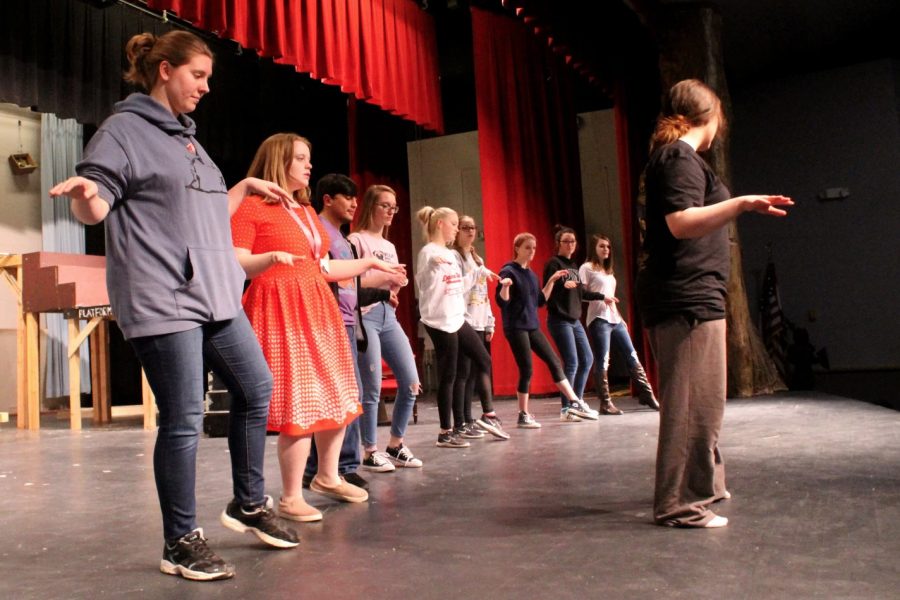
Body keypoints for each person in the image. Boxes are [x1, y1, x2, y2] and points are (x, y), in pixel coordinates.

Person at [49, 31, 300, 581]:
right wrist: (89, 197)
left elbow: (199, 210)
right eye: (198, 76)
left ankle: (248, 503)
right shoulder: (124, 131)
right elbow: (97, 203)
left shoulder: (188, 138)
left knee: (256, 388)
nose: (206, 88)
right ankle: (180, 541)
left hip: (213, 293)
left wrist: (245, 185)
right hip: (164, 297)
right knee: (184, 418)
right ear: (165, 70)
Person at [636, 78, 792, 528]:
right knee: (690, 406)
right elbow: (682, 223)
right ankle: (679, 504)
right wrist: (741, 203)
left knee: (704, 402)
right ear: (712, 117)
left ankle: (707, 486)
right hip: (684, 297)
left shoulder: (683, 160)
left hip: (695, 295)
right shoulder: (677, 159)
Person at [231, 134, 403, 521]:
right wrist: (270, 258)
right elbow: (238, 261)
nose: (309, 165)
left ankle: (327, 476)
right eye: (300, 158)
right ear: (278, 161)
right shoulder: (252, 207)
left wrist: (371, 266)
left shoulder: (305, 210)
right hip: (280, 305)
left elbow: (324, 267)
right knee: (300, 397)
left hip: (316, 303)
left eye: (309, 158)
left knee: (339, 389)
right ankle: (291, 496)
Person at [302, 173, 393, 490]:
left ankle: (321, 466)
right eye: (347, 197)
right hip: (330, 323)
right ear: (327, 199)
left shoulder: (342, 238)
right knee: (345, 395)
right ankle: (340, 465)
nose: (355, 203)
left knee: (343, 395)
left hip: (348, 323)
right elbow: (323, 277)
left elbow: (351, 287)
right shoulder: (319, 233)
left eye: (356, 197)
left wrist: (382, 292)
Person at [348, 186, 423, 470]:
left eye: (394, 207)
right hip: (365, 316)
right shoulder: (355, 240)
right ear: (371, 206)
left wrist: (395, 282)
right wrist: (384, 276)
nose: (391, 212)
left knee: (411, 382)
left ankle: (395, 444)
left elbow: (384, 281)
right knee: (372, 388)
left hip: (387, 316)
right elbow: (352, 281)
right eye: (386, 206)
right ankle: (369, 450)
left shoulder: (389, 246)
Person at [415, 207, 501, 447]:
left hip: (457, 316)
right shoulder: (428, 252)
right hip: (439, 319)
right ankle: (446, 431)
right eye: (454, 224)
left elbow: (458, 286)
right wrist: (431, 264)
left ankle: (462, 422)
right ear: (441, 223)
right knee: (449, 374)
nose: (456, 228)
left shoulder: (450, 255)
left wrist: (478, 273)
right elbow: (422, 282)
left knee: (482, 358)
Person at [496, 233, 588, 428]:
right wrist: (505, 288)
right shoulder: (508, 271)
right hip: (516, 327)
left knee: (554, 361)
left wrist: (552, 281)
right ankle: (523, 414)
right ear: (517, 248)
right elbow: (502, 302)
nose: (531, 251)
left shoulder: (531, 274)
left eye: (534, 248)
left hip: (532, 326)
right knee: (527, 369)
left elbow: (539, 301)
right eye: (527, 247)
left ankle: (574, 402)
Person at [580, 234, 659, 415]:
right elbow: (581, 294)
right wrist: (602, 297)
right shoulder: (586, 268)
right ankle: (605, 403)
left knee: (632, 355)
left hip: (615, 319)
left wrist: (620, 316)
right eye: (602, 246)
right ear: (594, 248)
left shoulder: (608, 271)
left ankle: (647, 395)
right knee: (603, 360)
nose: (606, 250)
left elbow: (611, 297)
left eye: (608, 247)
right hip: (599, 319)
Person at [451, 216, 510, 440]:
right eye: (465, 228)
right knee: (464, 372)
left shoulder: (477, 258)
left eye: (473, 228)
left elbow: (483, 294)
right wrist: (478, 272)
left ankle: (467, 420)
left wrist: (489, 321)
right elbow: (459, 287)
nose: (470, 231)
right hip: (462, 318)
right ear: (457, 231)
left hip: (477, 318)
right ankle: (461, 422)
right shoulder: (455, 257)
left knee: (471, 373)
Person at [542, 226, 604, 421]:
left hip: (575, 321)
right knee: (572, 361)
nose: (570, 245)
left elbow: (580, 293)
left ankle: (576, 401)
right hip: (560, 320)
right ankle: (567, 407)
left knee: (587, 358)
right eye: (566, 241)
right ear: (558, 244)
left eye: (573, 242)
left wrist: (603, 296)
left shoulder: (574, 266)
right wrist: (562, 285)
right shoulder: (554, 263)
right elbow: (548, 291)